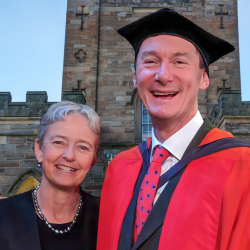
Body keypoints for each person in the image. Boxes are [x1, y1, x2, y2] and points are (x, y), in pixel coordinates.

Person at [97, 9, 250, 250]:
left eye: (180, 62)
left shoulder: (242, 166)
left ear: (204, 79)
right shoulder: (119, 168)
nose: (163, 75)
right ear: (135, 78)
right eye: (150, 61)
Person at [0, 101, 101, 250]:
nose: (69, 155)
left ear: (93, 160)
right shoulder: (3, 214)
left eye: (83, 147)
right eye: (59, 142)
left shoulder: (109, 217)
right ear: (39, 149)